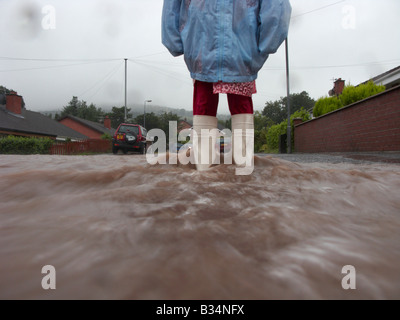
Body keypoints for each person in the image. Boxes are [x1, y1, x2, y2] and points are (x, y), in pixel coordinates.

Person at [162, 0, 292, 173]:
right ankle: (241, 170)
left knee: (209, 104)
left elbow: (276, 7)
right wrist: (264, 45)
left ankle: (208, 171)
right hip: (231, 49)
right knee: (227, 105)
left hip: (219, 48)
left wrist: (266, 44)